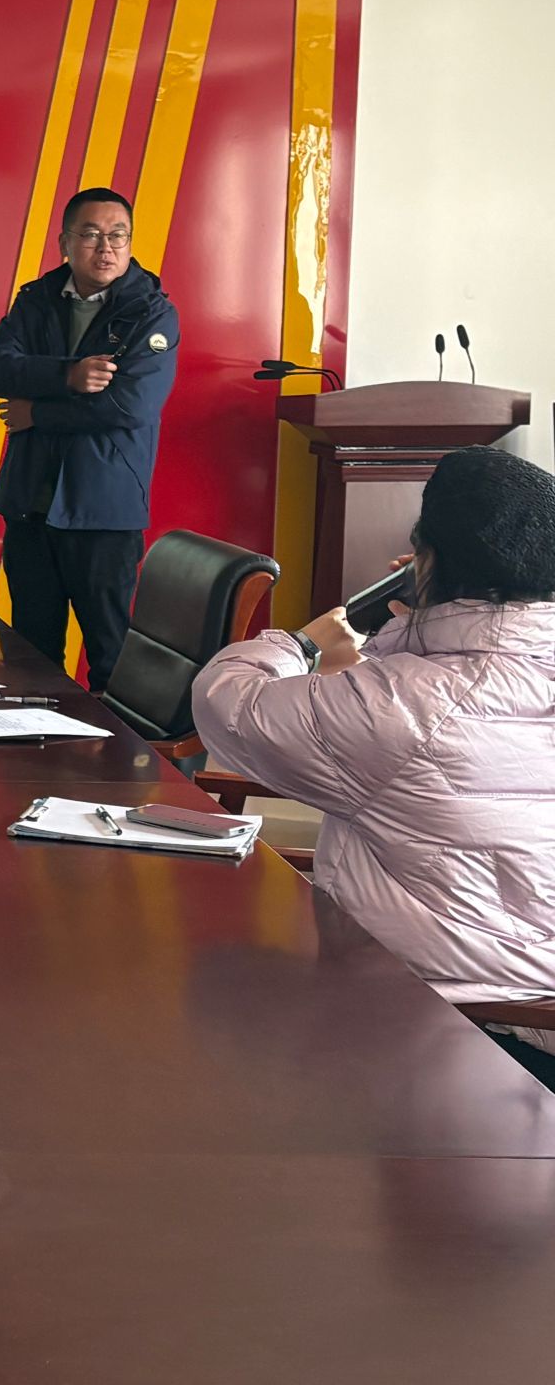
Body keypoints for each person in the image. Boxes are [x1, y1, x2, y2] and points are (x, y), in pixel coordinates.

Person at [192, 446, 555, 1082]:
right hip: (531, 1011)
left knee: (203, 995)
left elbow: (228, 703)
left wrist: (301, 643)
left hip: (461, 1037)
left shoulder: (406, 706)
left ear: (427, 559)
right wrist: (419, 628)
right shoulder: (431, 693)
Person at [0, 187, 180, 694]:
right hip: (30, 505)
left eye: (118, 236)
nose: (106, 248)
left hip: (105, 510)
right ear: (66, 242)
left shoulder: (150, 312)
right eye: (91, 235)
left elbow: (130, 406)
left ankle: (118, 748)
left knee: (112, 657)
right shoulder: (36, 300)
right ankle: (38, 745)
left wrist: (38, 412)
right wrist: (68, 376)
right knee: (31, 659)